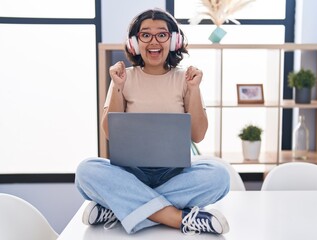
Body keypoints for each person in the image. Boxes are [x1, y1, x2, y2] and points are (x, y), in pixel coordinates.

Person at [75, 8, 230, 235]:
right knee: (86, 171)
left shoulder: (186, 79)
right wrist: (117, 86)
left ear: (174, 40)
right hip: (130, 174)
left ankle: (121, 208)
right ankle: (178, 218)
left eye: (162, 34)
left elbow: (197, 134)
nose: (153, 41)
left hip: (174, 174)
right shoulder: (122, 77)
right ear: (135, 43)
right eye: (145, 35)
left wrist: (194, 89)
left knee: (220, 176)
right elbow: (110, 133)